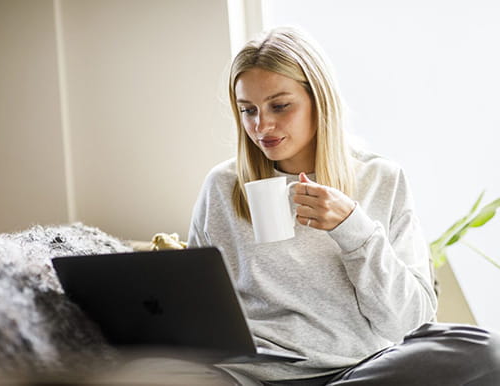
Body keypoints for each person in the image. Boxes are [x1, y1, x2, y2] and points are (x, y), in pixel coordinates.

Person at [187, 26, 500, 385]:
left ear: (319, 100)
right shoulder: (223, 186)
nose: (262, 125)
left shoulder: (381, 178)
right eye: (248, 110)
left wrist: (354, 229)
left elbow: (411, 322)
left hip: (357, 371)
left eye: (279, 105)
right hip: (248, 376)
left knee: (487, 350)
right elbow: (198, 305)